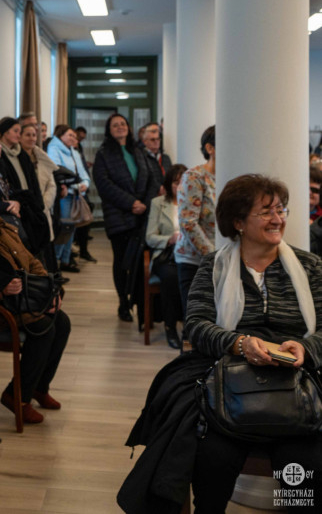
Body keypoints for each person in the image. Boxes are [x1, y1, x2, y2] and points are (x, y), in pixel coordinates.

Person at [118, 174, 322, 513]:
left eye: (281, 210)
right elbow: (197, 326)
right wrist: (239, 343)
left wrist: (307, 348)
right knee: (212, 456)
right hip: (231, 376)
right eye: (266, 212)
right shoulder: (214, 267)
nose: (278, 219)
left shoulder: (311, 266)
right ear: (238, 222)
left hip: (297, 380)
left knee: (304, 465)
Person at [0, 183, 71, 425]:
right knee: (44, 328)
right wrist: (1, 291)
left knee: (62, 321)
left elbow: (32, 262)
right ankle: (18, 396)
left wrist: (49, 290)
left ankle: (39, 387)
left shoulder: (5, 229)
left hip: (22, 301)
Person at [92, 113, 160, 323]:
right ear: (109, 130)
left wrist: (144, 203)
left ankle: (140, 305)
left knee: (140, 264)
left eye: (123, 124)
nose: (120, 127)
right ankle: (123, 302)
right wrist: (131, 203)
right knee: (122, 262)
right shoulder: (103, 154)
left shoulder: (138, 150)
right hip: (118, 216)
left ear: (129, 128)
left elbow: (153, 179)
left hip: (142, 215)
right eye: (115, 125)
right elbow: (104, 185)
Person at [145, 163, 188, 349]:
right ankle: (170, 326)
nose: (180, 187)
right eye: (176, 183)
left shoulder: (194, 203)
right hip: (166, 255)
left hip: (188, 253)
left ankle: (190, 328)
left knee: (195, 276)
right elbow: (150, 237)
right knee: (171, 277)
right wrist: (169, 239)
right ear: (169, 184)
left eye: (183, 182)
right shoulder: (159, 203)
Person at [0, 116, 52, 257]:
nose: (18, 135)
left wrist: (37, 204)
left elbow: (33, 182)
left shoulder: (22, 154)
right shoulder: (0, 156)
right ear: (5, 132)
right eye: (15, 131)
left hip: (29, 204)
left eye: (20, 132)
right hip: (17, 206)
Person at [175, 125, 216, 316]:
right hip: (195, 261)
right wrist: (214, 257)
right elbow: (188, 223)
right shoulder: (194, 177)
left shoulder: (230, 176)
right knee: (196, 319)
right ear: (210, 148)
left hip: (224, 259)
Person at [46, 124, 91, 273]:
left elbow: (83, 173)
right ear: (61, 135)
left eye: (74, 136)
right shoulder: (54, 149)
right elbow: (57, 172)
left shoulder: (74, 151)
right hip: (64, 195)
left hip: (76, 194)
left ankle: (65, 260)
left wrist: (85, 184)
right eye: (70, 135)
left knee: (71, 228)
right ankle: (56, 262)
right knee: (64, 228)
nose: (73, 138)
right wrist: (76, 185)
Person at [72, 125, 97, 263]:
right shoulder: (68, 152)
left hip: (82, 189)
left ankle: (83, 249)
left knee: (86, 217)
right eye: (77, 138)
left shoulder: (77, 150)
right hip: (74, 191)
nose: (78, 141)